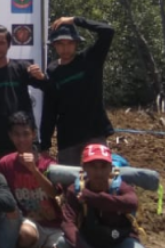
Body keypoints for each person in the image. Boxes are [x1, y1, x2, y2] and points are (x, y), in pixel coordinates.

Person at [54, 144, 151, 248]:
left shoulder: (120, 188)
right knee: (62, 244)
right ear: (84, 167)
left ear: (110, 168)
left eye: (103, 166)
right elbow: (68, 223)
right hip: (89, 243)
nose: (99, 172)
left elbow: (131, 203)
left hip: (118, 242)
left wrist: (93, 198)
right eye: (93, 167)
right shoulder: (75, 190)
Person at [40, 16, 116, 165]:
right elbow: (50, 108)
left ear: (76, 43)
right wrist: (45, 143)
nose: (65, 48)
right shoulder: (53, 70)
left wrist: (76, 20)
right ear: (54, 45)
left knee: (100, 176)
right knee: (68, 181)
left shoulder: (91, 59)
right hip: (68, 136)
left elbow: (108, 31)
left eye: (69, 43)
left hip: (94, 131)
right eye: (60, 44)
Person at [0, 112, 63, 248]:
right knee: (25, 235)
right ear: (10, 136)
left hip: (55, 225)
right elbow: (1, 195)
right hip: (29, 223)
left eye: (26, 134)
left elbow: (54, 193)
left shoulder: (49, 163)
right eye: (16, 134)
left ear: (33, 134)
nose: (21, 139)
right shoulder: (5, 164)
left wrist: (34, 170)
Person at [0, 24, 47, 164]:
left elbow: (48, 88)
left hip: (24, 139)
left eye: (2, 43)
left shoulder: (22, 68)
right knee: (0, 184)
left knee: (29, 182)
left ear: (9, 45)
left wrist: (42, 78)